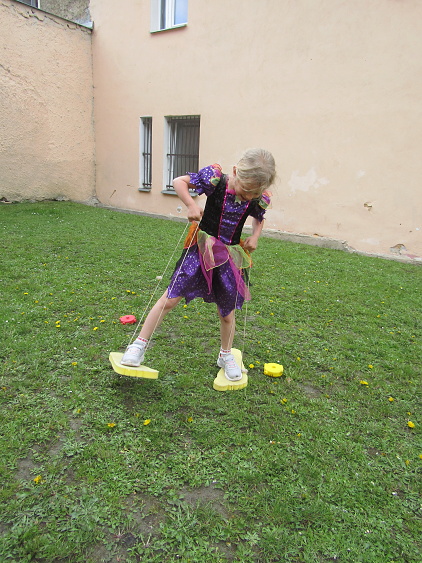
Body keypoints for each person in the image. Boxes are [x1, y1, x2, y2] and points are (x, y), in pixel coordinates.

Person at [120, 148, 276, 381]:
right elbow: (179, 182)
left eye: (254, 194)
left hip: (229, 256)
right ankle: (138, 345)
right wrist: (191, 205)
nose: (248, 197)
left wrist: (255, 236)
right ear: (235, 172)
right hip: (201, 248)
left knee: (227, 312)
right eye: (245, 191)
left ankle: (225, 354)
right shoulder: (216, 180)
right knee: (170, 298)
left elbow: (258, 217)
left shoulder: (255, 196)